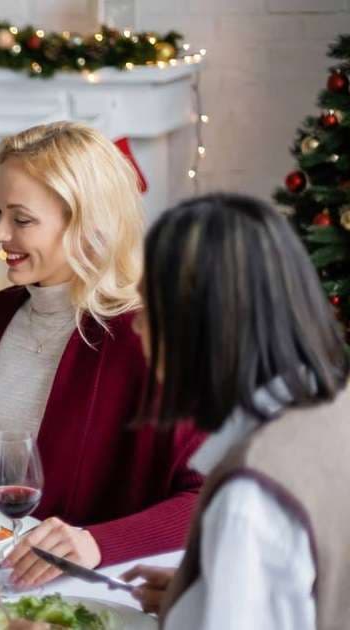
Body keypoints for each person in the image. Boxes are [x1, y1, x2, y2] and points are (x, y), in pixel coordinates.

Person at [0, 121, 205, 587]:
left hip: (105, 588)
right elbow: (1, 462)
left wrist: (97, 542)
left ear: (87, 223)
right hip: (1, 573)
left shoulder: (151, 336)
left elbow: (207, 496)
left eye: (21, 218)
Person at [120, 194, 350, 629]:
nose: (135, 325)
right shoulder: (337, 411)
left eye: (149, 307)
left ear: (198, 326)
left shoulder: (251, 498)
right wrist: (204, 591)